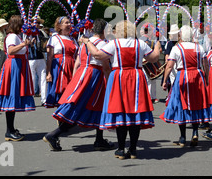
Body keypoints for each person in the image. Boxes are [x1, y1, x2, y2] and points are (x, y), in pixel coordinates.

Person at [83, 20, 162, 160]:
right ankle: (133, 149)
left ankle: (121, 148)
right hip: (136, 77)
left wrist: (87, 42)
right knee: (134, 113)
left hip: (119, 77)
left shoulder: (114, 44)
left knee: (121, 111)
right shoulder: (140, 44)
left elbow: (97, 55)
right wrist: (157, 46)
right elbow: (154, 58)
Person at [43, 19, 114, 152]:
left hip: (82, 74)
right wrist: (110, 81)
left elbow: (76, 64)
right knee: (91, 107)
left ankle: (99, 139)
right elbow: (105, 67)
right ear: (103, 31)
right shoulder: (103, 44)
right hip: (95, 75)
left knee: (91, 107)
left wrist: (75, 81)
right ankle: (53, 134)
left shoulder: (84, 43)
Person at [161, 25, 211, 147]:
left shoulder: (177, 48)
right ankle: (195, 133)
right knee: (195, 104)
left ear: (180, 35)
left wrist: (164, 80)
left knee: (181, 105)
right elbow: (205, 64)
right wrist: (207, 78)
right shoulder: (199, 47)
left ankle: (183, 137)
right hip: (198, 76)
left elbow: (169, 66)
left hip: (183, 76)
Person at [0, 15, 36, 141]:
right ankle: (9, 131)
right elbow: (11, 50)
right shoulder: (12, 36)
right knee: (12, 96)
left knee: (14, 97)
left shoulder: (16, 36)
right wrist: (24, 44)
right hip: (14, 66)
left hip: (18, 66)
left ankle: (11, 129)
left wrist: (27, 44)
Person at [45, 16, 79, 108]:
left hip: (72, 67)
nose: (69, 25)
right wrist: (48, 73)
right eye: (66, 23)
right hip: (59, 68)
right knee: (61, 90)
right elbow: (49, 57)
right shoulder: (54, 38)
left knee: (71, 92)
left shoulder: (73, 39)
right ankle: (60, 117)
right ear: (59, 26)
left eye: (69, 23)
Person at [26, 18, 47, 105]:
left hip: (40, 57)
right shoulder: (27, 32)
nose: (36, 24)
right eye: (34, 22)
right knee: (32, 79)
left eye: (38, 23)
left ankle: (44, 99)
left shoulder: (41, 32)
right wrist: (30, 43)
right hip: (31, 58)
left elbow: (44, 44)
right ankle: (31, 99)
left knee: (43, 78)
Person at [140, 24, 158, 103]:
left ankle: (153, 96)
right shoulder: (140, 40)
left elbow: (158, 50)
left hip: (150, 60)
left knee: (153, 79)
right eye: (147, 30)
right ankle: (149, 97)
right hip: (143, 61)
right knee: (148, 79)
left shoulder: (153, 40)